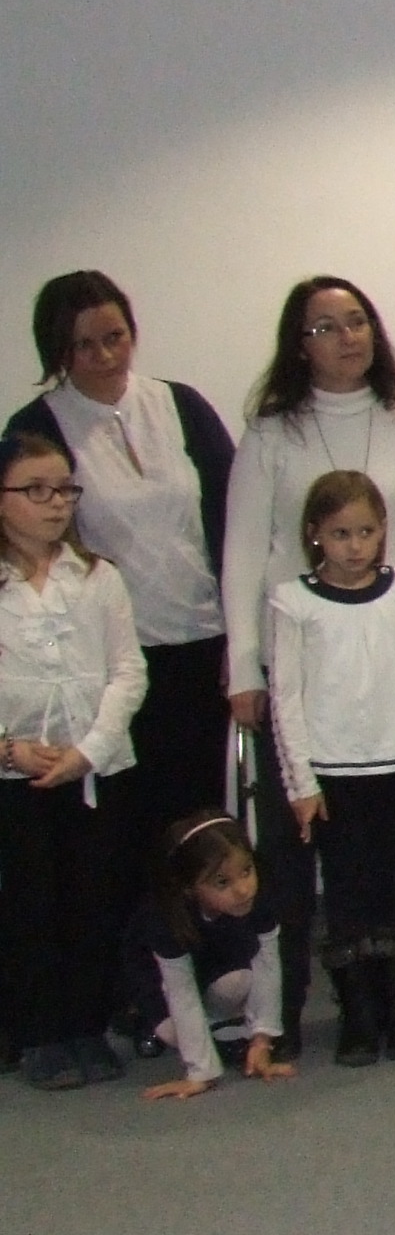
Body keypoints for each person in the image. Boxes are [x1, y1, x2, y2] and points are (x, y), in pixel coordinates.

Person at [221, 276, 395, 1057]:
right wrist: (243, 667)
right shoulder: (272, 434)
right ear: (299, 345)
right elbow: (242, 554)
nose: (346, 337)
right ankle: (312, 1009)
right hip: (306, 676)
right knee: (306, 860)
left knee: (393, 863)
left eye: (356, 321)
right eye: (325, 327)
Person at [9, 273, 235, 856]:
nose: (105, 355)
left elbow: (231, 522)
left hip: (202, 642)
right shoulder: (38, 427)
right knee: (125, 824)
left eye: (116, 337)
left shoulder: (181, 405)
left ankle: (195, 919)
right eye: (85, 345)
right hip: (109, 661)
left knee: (199, 824)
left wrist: (242, 639)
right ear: (58, 350)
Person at [264, 469, 395, 1066]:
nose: (355, 545)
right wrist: (301, 780)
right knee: (346, 889)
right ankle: (358, 1011)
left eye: (366, 532)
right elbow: (286, 697)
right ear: (315, 533)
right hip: (332, 769)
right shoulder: (293, 602)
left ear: (383, 530)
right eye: (341, 533)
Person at [0, 428, 148, 1088]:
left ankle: (87, 1025)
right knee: (31, 904)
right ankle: (39, 1033)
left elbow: (128, 672)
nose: (56, 502)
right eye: (36, 490)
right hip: (17, 773)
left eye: (64, 489)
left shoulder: (98, 577)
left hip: (94, 769)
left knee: (94, 898)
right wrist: (10, 749)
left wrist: (89, 750)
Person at [132, 814, 293, 1100]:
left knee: (239, 981)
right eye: (222, 882)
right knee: (172, 1031)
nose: (243, 889)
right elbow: (180, 991)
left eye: (247, 871)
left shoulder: (260, 896)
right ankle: (153, 1025)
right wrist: (200, 1072)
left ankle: (224, 1029)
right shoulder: (164, 919)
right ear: (189, 887)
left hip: (216, 967)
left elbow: (267, 964)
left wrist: (262, 1039)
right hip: (160, 983)